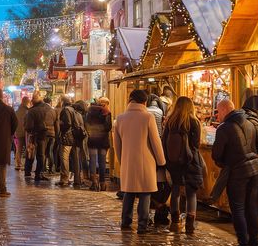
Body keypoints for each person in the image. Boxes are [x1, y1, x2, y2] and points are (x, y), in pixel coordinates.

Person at [212, 99, 258, 246]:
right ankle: (254, 245)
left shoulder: (224, 128)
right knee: (252, 208)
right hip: (255, 170)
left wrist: (225, 162)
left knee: (238, 209)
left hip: (237, 172)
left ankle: (243, 245)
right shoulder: (250, 123)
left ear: (223, 111)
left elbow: (216, 154)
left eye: (218, 111)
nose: (217, 115)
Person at [113, 89, 166, 234]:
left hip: (128, 160)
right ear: (144, 102)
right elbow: (156, 142)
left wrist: (122, 159)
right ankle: (142, 224)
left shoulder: (120, 118)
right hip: (146, 161)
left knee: (129, 192)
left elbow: (117, 145)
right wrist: (161, 161)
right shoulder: (147, 117)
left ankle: (126, 221)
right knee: (145, 193)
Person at [162, 96, 203, 234]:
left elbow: (163, 142)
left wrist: (169, 160)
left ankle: (175, 222)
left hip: (173, 163)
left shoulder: (170, 121)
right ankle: (190, 225)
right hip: (190, 162)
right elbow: (196, 145)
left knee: (175, 191)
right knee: (191, 193)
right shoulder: (194, 122)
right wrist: (189, 155)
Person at [85, 97, 113, 191]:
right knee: (102, 162)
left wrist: (92, 132)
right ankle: (102, 183)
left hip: (92, 139)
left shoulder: (89, 112)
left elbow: (86, 125)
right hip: (103, 140)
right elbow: (108, 127)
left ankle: (94, 182)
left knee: (92, 161)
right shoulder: (107, 112)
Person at [24, 91, 51, 182]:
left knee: (30, 153)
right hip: (45, 135)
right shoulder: (48, 108)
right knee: (41, 155)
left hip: (34, 135)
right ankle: (39, 173)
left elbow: (28, 126)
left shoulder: (31, 111)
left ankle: (27, 171)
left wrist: (29, 131)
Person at [58, 95, 83, 188]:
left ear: (62, 101)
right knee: (75, 159)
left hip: (67, 138)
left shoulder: (66, 110)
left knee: (64, 158)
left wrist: (61, 124)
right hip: (76, 138)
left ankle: (64, 179)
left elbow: (67, 123)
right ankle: (77, 179)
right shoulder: (74, 110)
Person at [14, 96, 30, 171]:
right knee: (28, 148)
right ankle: (27, 165)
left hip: (18, 132)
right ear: (27, 102)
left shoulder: (17, 111)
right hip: (26, 133)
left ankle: (18, 164)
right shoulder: (28, 111)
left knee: (19, 149)